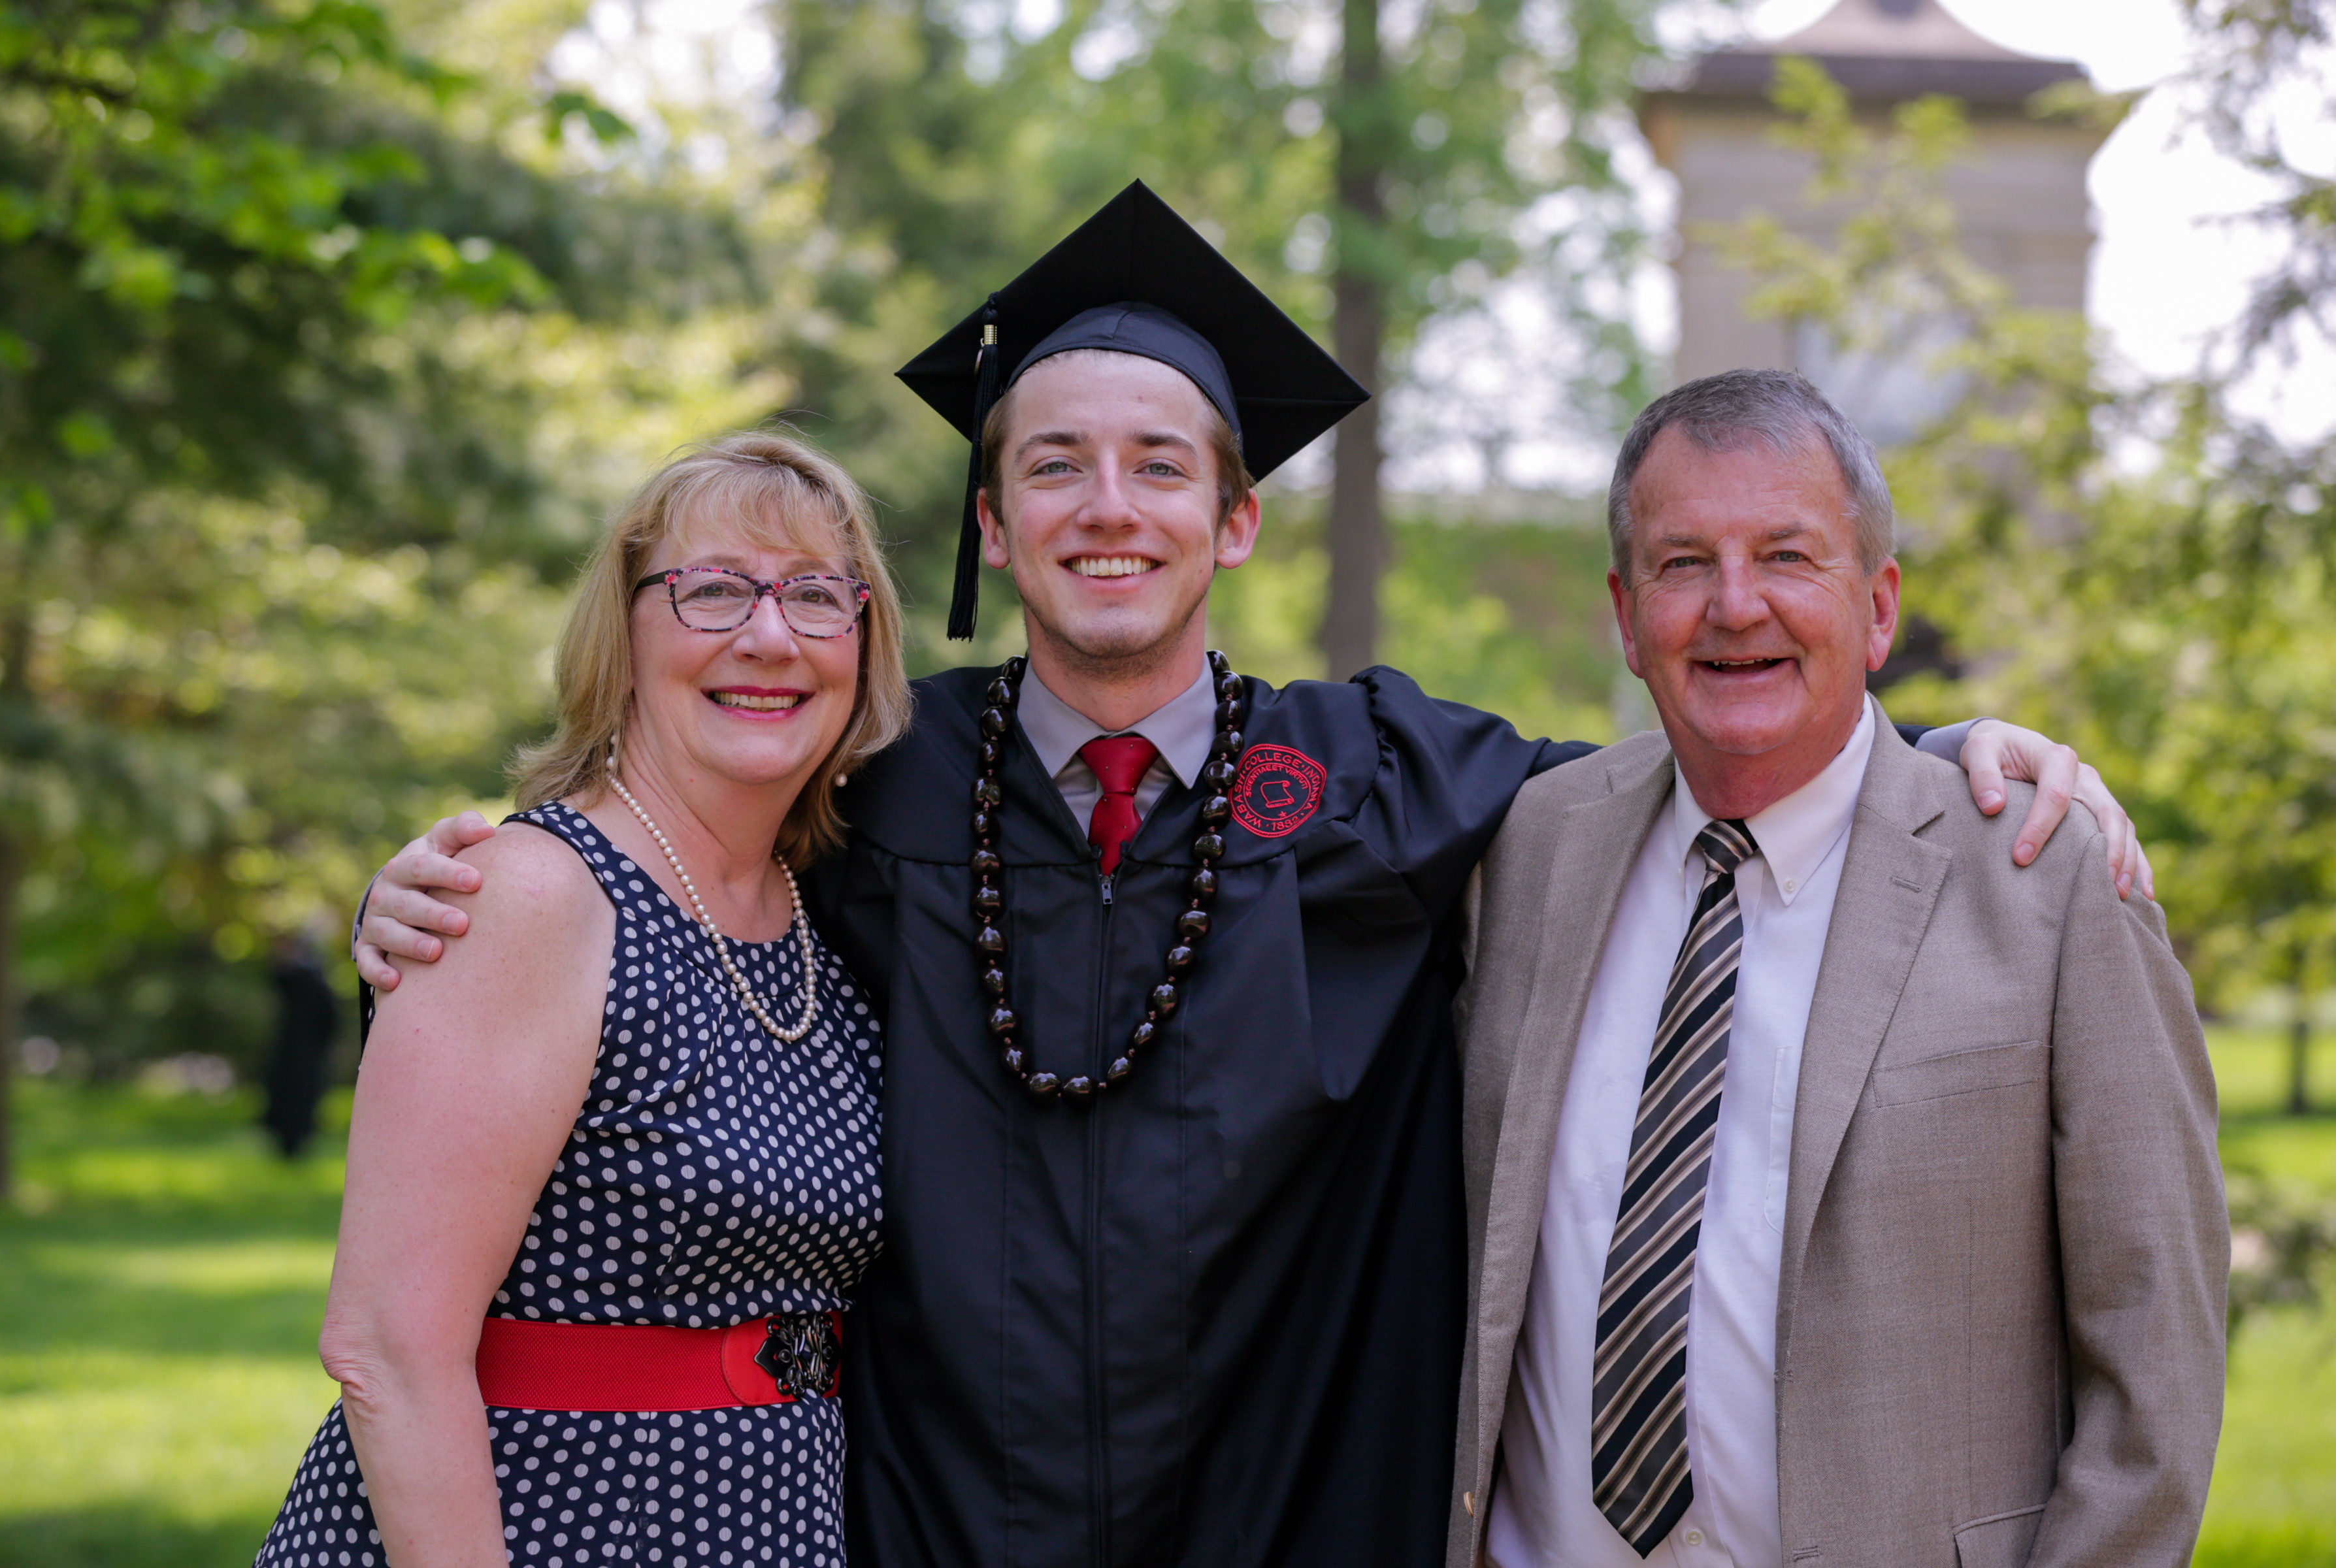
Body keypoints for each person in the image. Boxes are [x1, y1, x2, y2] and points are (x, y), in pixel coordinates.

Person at [355, 186, 2148, 1568]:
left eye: (1162, 467)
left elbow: (1715, 764)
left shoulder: (1390, 783)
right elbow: (653, 858)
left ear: (1235, 520)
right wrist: (451, 887)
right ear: (991, 525)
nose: (1107, 506)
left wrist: (1943, 755)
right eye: (1052, 466)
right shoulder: (870, 792)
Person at [1447, 370, 2225, 1568]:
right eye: (1683, 562)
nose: (1735, 605)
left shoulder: (2041, 878)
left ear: (1878, 607)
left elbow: (2155, 1361)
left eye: (1789, 557)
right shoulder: (1530, 854)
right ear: (1624, 609)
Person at [257, 432, 911, 1568]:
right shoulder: (533, 897)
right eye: (712, 591)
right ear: (625, 629)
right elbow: (387, 1349)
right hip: (543, 1520)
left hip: (766, 1517)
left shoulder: (822, 915)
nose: (768, 635)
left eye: (815, 596)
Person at [263, 931, 340, 1160]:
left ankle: (292, 1144)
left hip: (302, 1051)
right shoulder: (311, 980)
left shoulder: (305, 980)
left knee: (296, 1098)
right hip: (300, 1050)